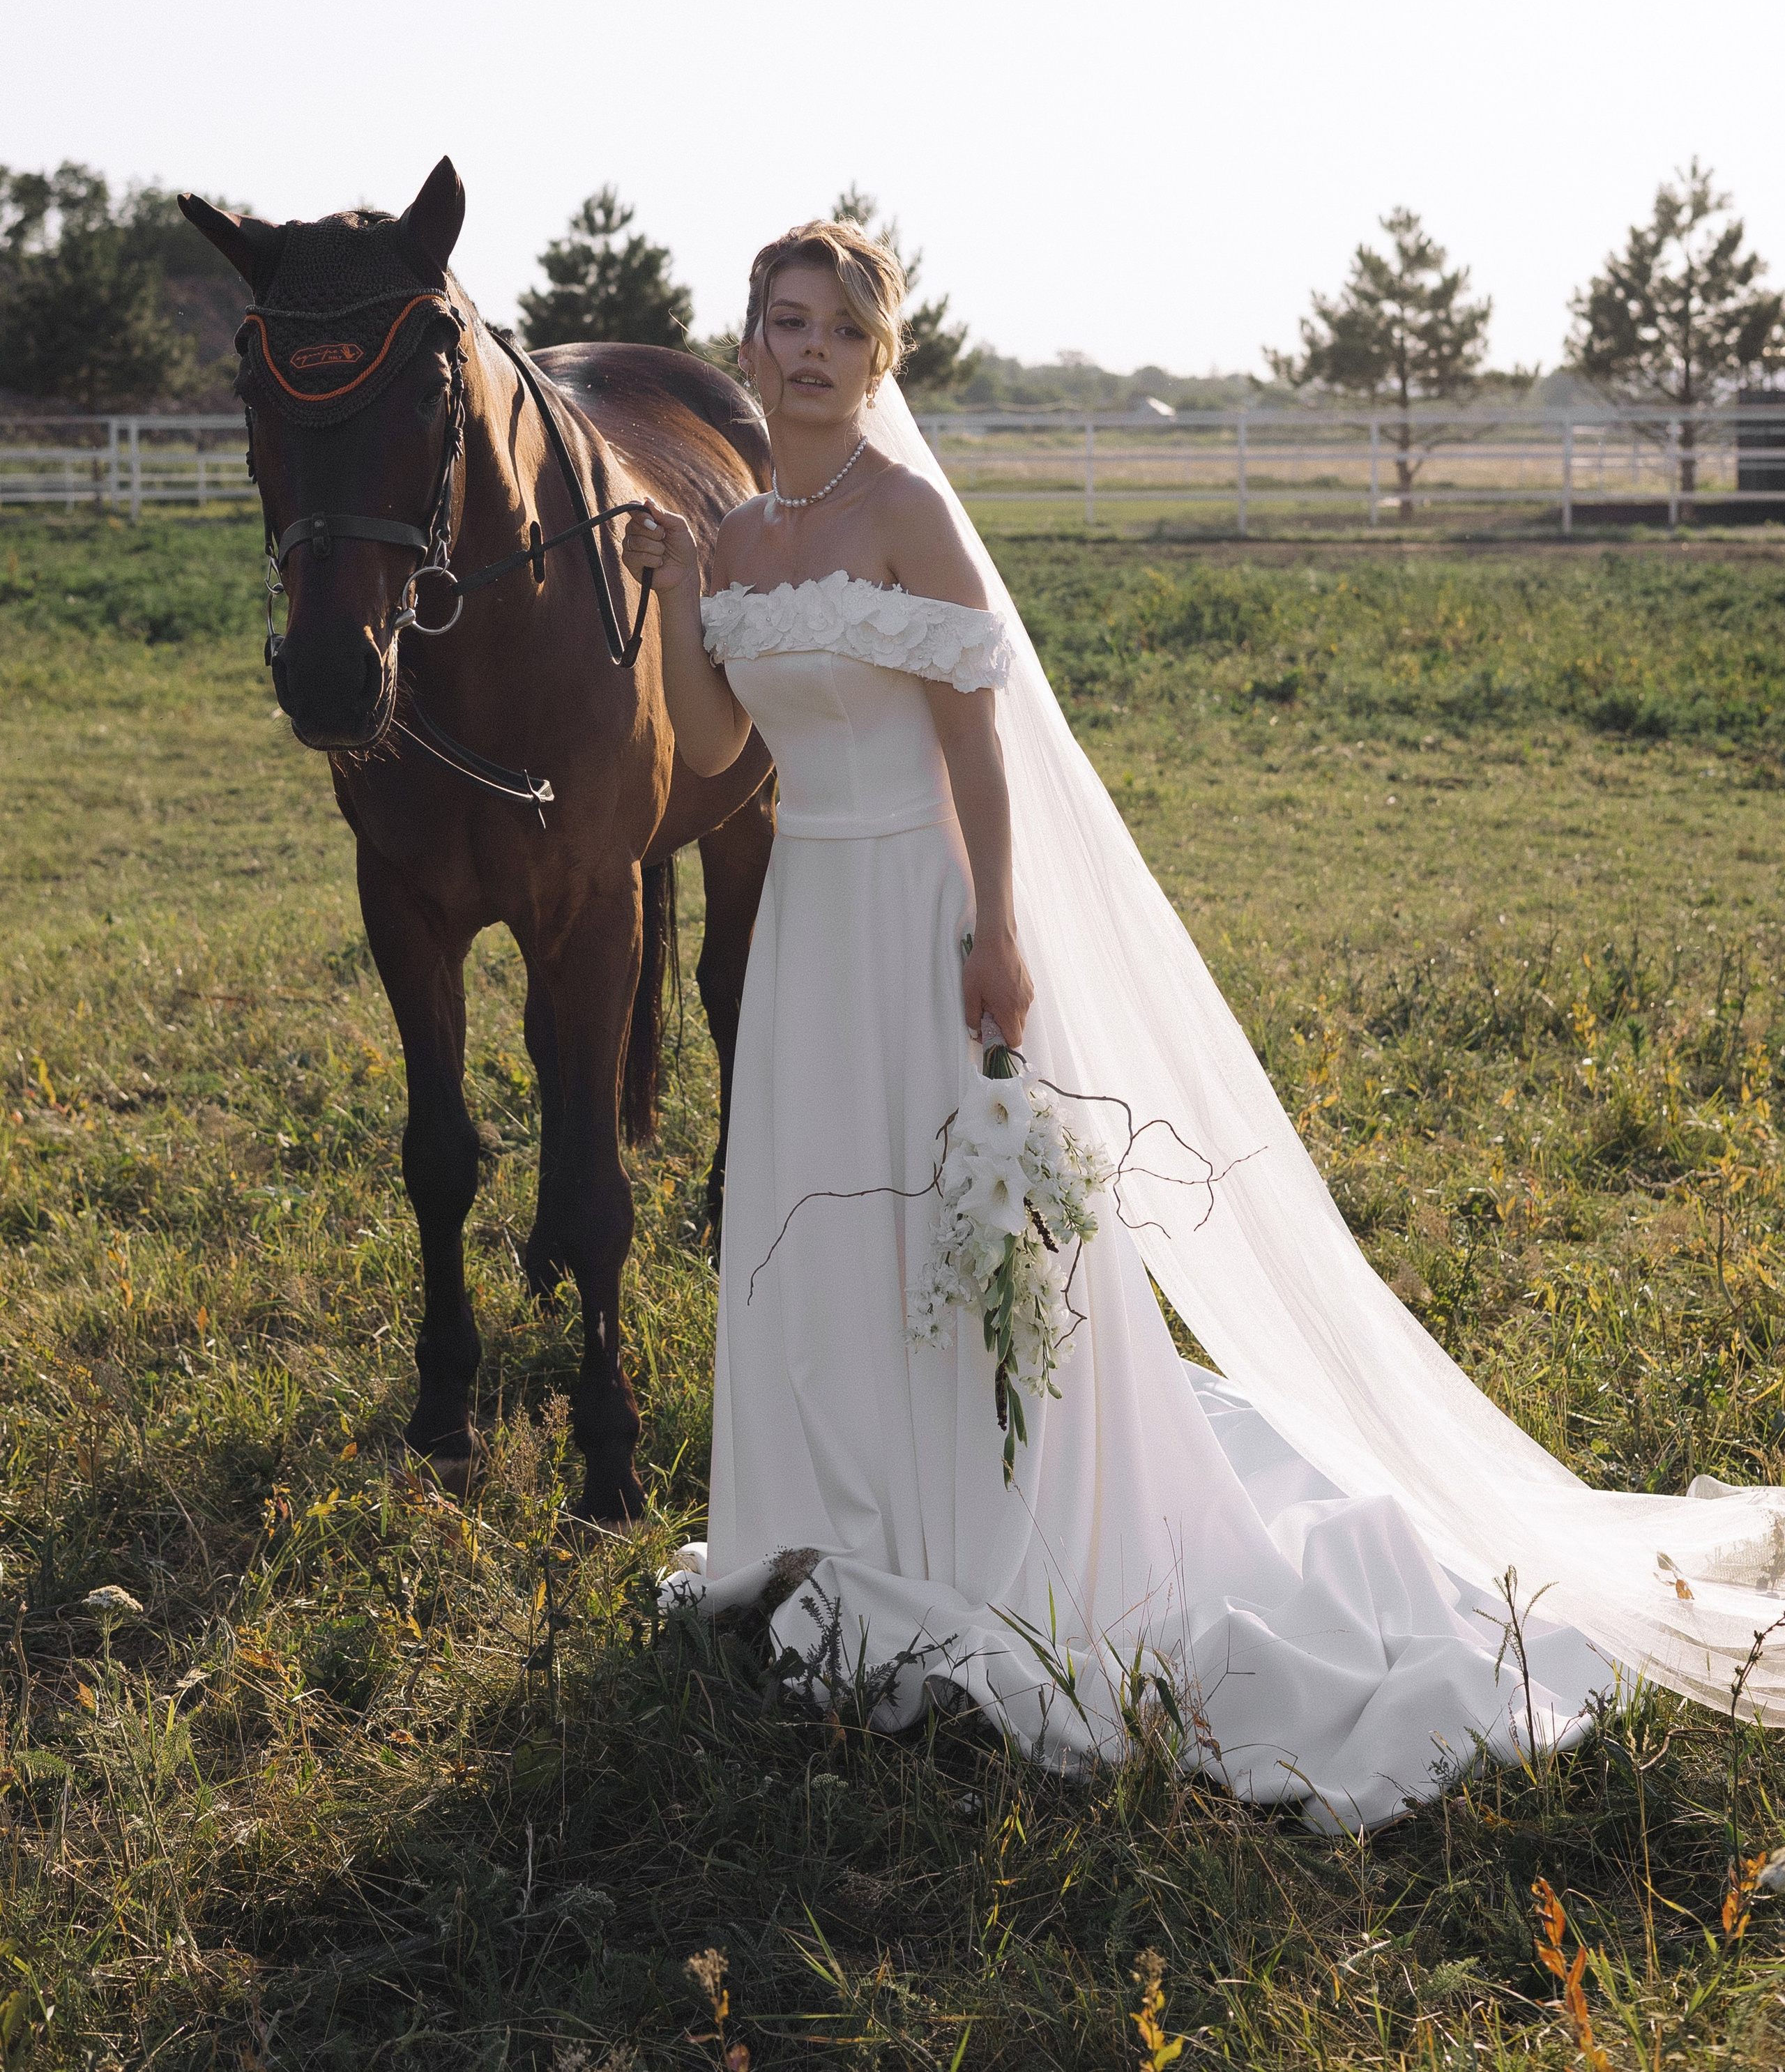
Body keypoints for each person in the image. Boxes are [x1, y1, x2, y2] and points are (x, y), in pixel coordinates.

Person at [622, 220, 1785, 1830]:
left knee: (956, 1219)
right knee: (819, 1219)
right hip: (805, 921)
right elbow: (713, 741)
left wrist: (998, 928)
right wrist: (680, 597)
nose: (805, 348)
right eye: (781, 321)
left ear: (876, 356)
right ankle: (830, 1515)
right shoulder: (737, 538)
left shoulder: (909, 519)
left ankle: (986, 1529)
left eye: (836, 326)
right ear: (744, 342)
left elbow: (980, 750)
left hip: (915, 909)